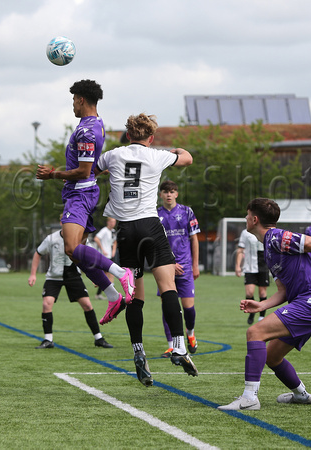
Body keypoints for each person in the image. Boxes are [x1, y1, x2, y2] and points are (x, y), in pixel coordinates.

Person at [218, 198, 311, 411]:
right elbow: (283, 291)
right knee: (272, 356)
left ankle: (249, 398)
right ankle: (301, 395)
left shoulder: (276, 237)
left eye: (247, 215)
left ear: (255, 219)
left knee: (255, 332)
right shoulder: (268, 247)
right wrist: (261, 305)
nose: (245, 218)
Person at [94, 113, 198, 387]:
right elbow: (186, 158)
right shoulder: (158, 155)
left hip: (126, 231)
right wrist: (173, 150)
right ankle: (178, 344)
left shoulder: (113, 155)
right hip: (151, 226)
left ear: (128, 136)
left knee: (134, 296)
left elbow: (90, 171)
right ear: (151, 138)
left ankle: (139, 352)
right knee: (168, 287)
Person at [36, 79, 135, 318]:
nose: (72, 105)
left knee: (71, 247)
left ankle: (121, 274)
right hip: (82, 191)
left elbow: (82, 170)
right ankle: (113, 297)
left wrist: (53, 175)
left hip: (80, 194)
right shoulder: (96, 124)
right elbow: (88, 167)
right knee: (76, 252)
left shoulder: (87, 130)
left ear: (81, 99)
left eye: (73, 100)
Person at [28, 223, 113, 349]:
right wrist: (33, 274)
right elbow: (38, 253)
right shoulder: (51, 238)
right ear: (62, 223)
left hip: (74, 276)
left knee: (87, 305)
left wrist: (96, 277)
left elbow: (91, 258)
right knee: (47, 303)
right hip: (54, 277)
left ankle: (98, 338)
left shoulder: (80, 239)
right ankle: (48, 340)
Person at [158, 180, 200, 357]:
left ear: (176, 194)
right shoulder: (155, 214)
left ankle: (190, 333)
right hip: (165, 266)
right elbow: (155, 243)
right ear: (161, 194)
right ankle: (171, 345)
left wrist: (195, 264)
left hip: (185, 267)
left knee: (188, 307)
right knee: (168, 306)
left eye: (172, 191)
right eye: (166, 191)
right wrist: (168, 262)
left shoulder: (186, 211)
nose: (169, 194)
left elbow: (194, 239)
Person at [235, 228, 270, 325]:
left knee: (262, 293)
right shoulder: (245, 232)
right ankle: (253, 311)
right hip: (250, 267)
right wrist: (238, 266)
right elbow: (241, 250)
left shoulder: (266, 229)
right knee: (249, 293)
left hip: (263, 266)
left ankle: (262, 317)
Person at [93, 217, 118, 300]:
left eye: (114, 222)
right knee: (105, 274)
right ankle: (105, 292)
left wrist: (113, 250)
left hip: (110, 255)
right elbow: (96, 238)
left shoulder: (113, 232)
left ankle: (102, 293)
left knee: (109, 274)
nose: (113, 223)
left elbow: (115, 242)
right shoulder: (104, 230)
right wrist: (102, 249)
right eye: (111, 222)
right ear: (108, 222)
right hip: (104, 256)